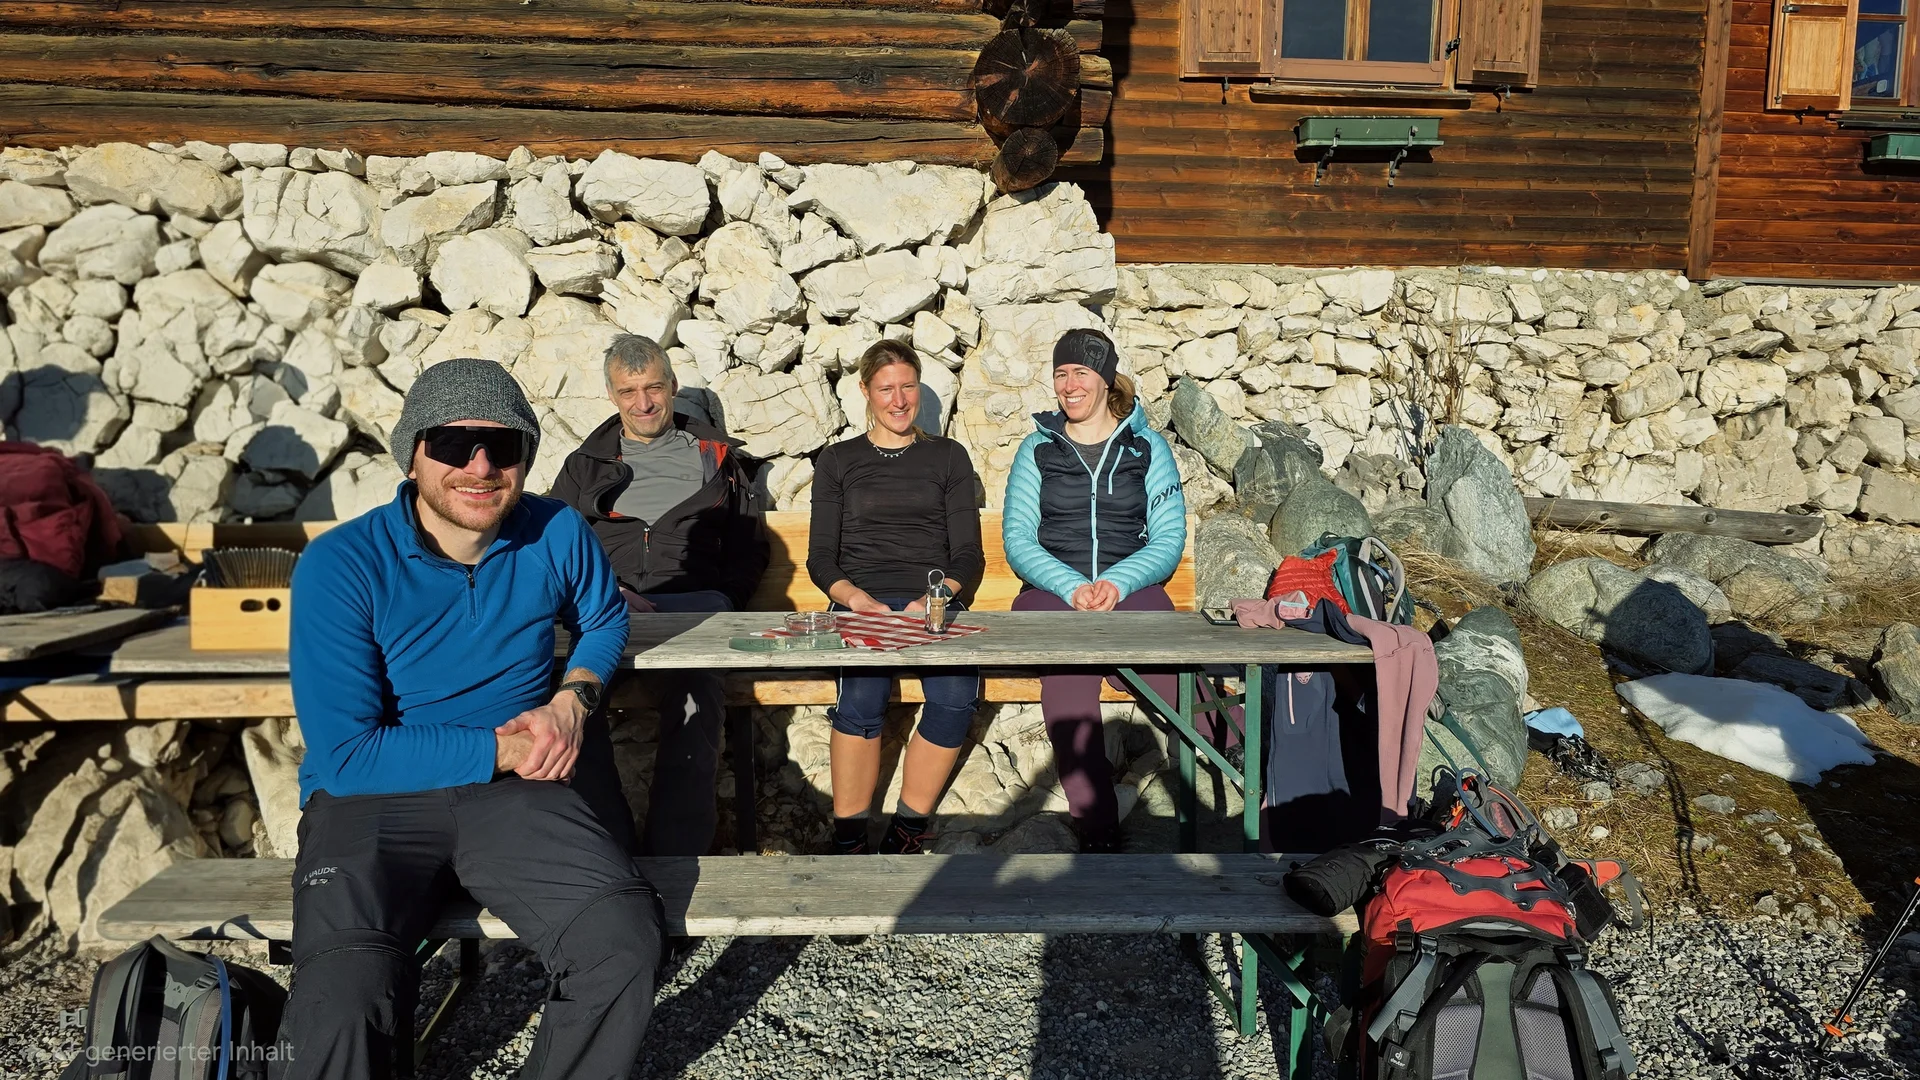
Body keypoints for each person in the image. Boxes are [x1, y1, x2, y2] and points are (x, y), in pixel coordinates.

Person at [282, 358, 661, 1080]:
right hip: (377, 798)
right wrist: (507, 749)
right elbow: (348, 756)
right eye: (454, 445)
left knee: (622, 944)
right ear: (413, 454)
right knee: (343, 1003)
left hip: (517, 798)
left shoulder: (556, 531)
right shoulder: (341, 564)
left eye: (503, 445)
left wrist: (573, 699)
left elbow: (605, 619)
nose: (480, 466)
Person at [548, 334, 768, 857]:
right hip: (604, 611)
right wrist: (608, 591)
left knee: (698, 701)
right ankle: (609, 850)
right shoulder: (585, 465)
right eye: (628, 392)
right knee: (566, 701)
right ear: (611, 395)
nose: (642, 403)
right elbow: (551, 549)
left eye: (653, 389)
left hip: (692, 610)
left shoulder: (716, 460)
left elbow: (749, 548)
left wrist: (723, 600)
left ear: (671, 387)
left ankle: (675, 855)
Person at [1004, 327, 1188, 853]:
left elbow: (1168, 538)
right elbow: (1017, 540)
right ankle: (1098, 827)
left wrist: (1117, 581)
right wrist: (1069, 587)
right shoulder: (1036, 449)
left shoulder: (1147, 448)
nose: (1069, 384)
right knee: (1067, 673)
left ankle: (1247, 760)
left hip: (1129, 586)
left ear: (1106, 380)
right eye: (1061, 373)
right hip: (1049, 591)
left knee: (1174, 665)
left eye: (1081, 372)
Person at [807, 340, 984, 855]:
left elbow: (968, 556)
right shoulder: (838, 460)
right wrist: (856, 600)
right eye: (887, 389)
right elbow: (821, 558)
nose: (899, 400)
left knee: (955, 695)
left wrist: (938, 595)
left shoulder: (948, 456)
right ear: (865, 392)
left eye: (908, 386)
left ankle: (908, 828)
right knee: (862, 698)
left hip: (932, 600)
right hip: (861, 600)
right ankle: (849, 836)